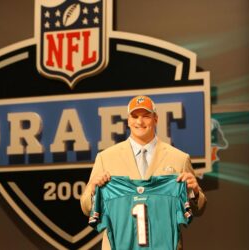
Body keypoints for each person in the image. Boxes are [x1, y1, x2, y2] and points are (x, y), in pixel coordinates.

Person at [80, 95, 207, 250]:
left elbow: (199, 209)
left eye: (146, 116)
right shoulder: (105, 158)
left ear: (156, 119)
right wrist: (93, 189)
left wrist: (194, 192)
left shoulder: (179, 158)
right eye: (135, 116)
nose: (140, 122)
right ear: (128, 120)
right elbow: (86, 208)